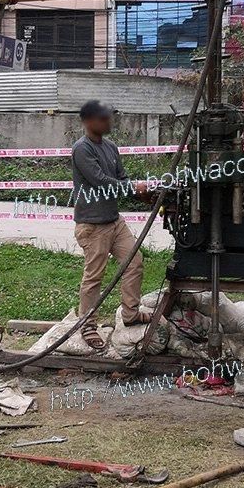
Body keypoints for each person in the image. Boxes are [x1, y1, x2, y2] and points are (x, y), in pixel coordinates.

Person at [71, 100, 149, 349]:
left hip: (114, 221)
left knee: (134, 261)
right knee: (94, 276)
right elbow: (101, 181)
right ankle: (87, 325)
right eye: (104, 119)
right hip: (92, 225)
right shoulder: (82, 149)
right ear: (89, 122)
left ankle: (130, 313)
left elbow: (120, 177)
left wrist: (140, 190)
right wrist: (131, 187)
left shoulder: (111, 147)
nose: (109, 122)